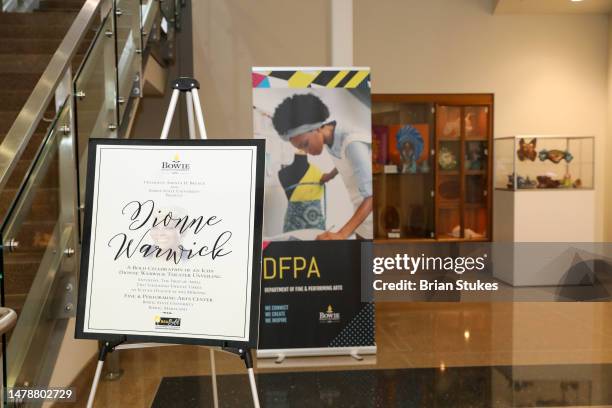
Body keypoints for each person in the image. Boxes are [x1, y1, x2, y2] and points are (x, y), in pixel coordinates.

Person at [271, 93, 372, 240]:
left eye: (305, 144)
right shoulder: (332, 140)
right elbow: (348, 162)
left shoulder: (352, 143)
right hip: (362, 221)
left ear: (317, 128)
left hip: (375, 220)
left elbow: (372, 196)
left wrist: (342, 234)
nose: (306, 152)